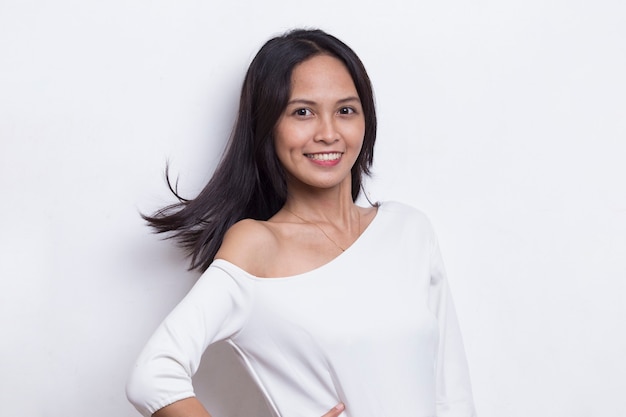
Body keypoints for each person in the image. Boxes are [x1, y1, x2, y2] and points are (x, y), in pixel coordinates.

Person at [126, 28, 477, 417]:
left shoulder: (410, 230)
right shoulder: (257, 245)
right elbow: (153, 375)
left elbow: (452, 395)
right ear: (268, 126)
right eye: (302, 112)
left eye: (345, 110)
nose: (328, 133)